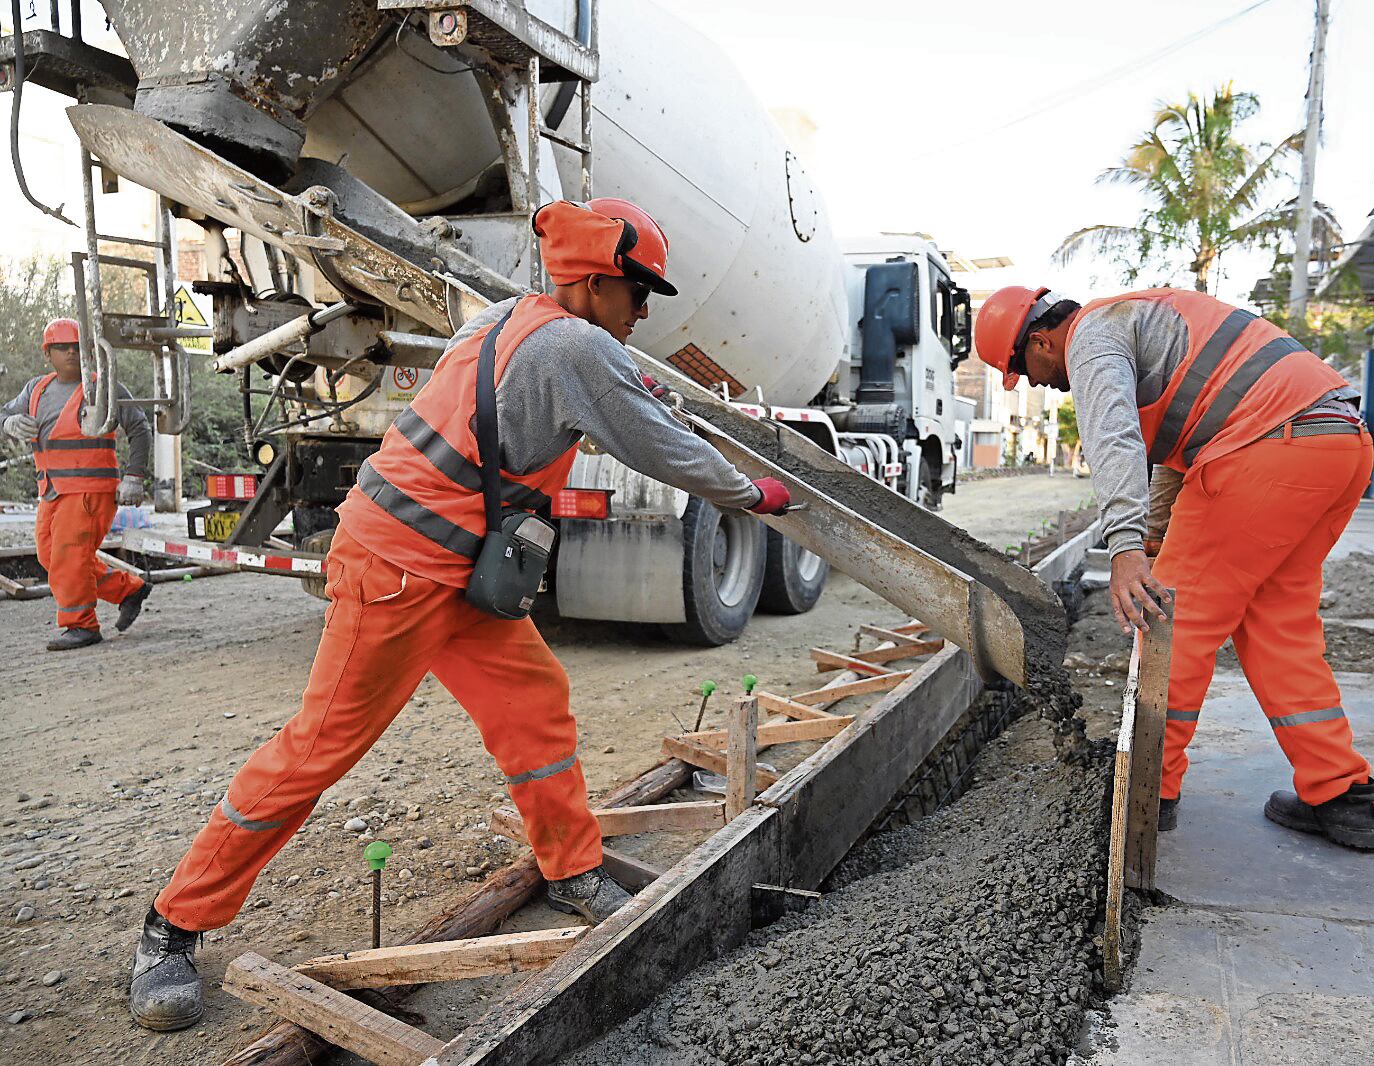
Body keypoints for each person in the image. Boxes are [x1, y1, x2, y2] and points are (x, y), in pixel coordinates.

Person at [128, 198, 793, 1032]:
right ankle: (172, 925)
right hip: (395, 572)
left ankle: (571, 866)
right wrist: (749, 493)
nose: (646, 309)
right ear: (593, 285)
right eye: (639, 291)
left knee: (535, 707)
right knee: (317, 751)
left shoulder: (519, 319)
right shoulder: (573, 345)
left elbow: (607, 398)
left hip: (460, 573)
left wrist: (640, 387)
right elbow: (657, 444)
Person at [974, 286, 1374, 853]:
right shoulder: (1145, 320)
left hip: (1264, 450)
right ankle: (1342, 795)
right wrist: (1152, 537)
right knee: (1278, 627)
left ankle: (1148, 789)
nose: (1041, 384)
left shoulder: (1092, 337)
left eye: (1029, 371)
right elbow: (1185, 449)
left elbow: (1112, 437)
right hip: (1338, 445)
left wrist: (1123, 550)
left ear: (1042, 340)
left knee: (1172, 623)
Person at [1, 318, 152, 650]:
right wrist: (9, 422)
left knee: (69, 557)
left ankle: (81, 625)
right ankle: (128, 589)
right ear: (48, 354)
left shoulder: (103, 386)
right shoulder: (34, 390)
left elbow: (140, 429)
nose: (70, 353)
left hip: (90, 491)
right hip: (52, 490)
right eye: (62, 348)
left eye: (77, 347)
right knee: (50, 557)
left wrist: (134, 477)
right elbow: (2, 416)